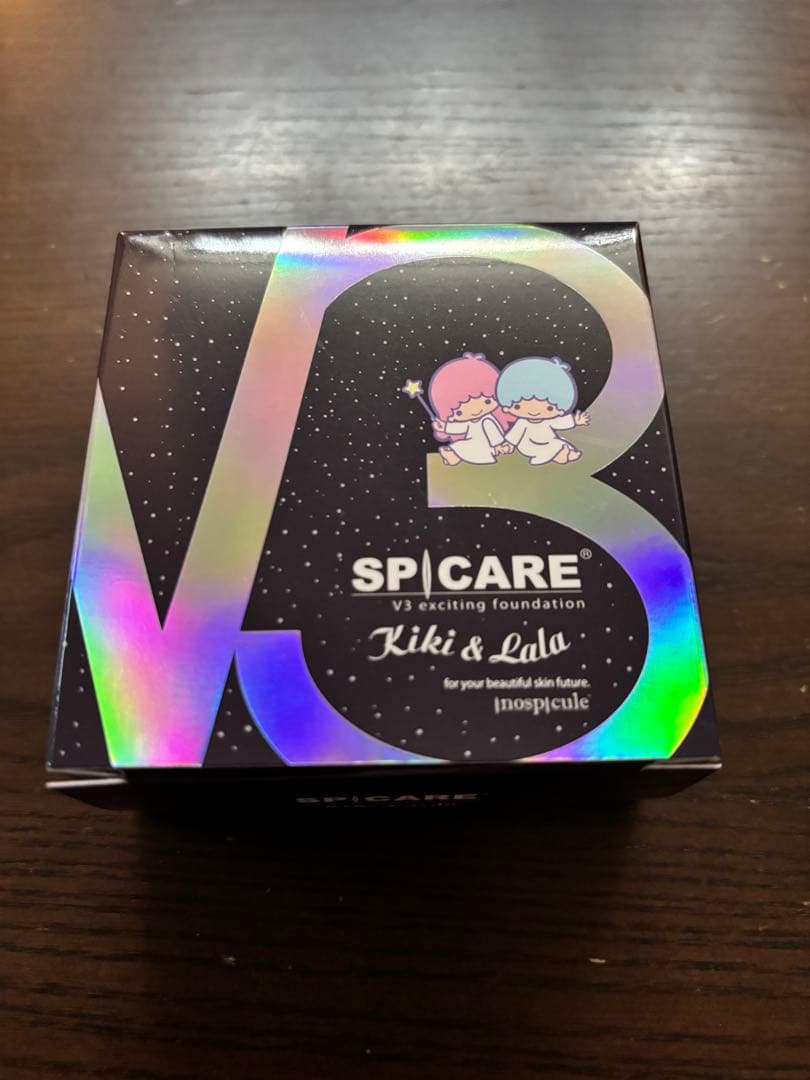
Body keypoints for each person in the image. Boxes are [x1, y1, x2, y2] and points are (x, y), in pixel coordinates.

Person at [496, 356, 590, 465]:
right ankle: (561, 455)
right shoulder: (522, 423)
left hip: (549, 441)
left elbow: (560, 422)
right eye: (518, 406)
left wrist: (575, 421)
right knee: (551, 447)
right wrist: (509, 445)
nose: (534, 411)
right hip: (529, 445)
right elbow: (515, 435)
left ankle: (566, 453)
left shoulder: (549, 420)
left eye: (549, 408)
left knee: (558, 442)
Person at [428, 352, 512, 466]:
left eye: (487, 401)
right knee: (461, 446)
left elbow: (493, 433)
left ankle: (454, 456)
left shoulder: (487, 421)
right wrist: (445, 427)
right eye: (459, 412)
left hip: (485, 447)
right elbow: (460, 427)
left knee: (465, 447)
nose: (476, 410)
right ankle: (454, 457)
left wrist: (498, 445)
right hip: (474, 445)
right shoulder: (470, 422)